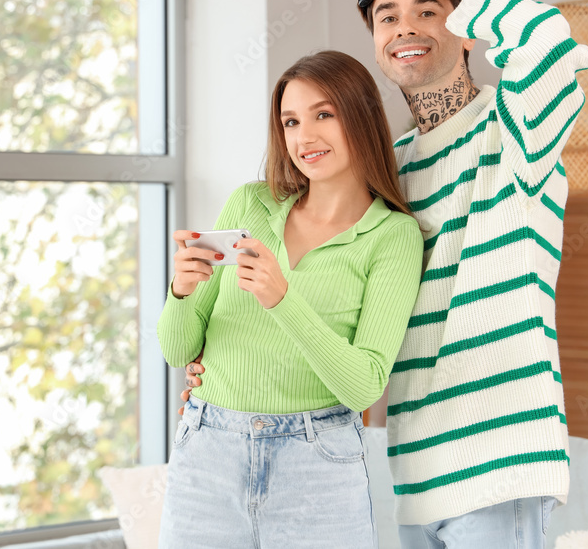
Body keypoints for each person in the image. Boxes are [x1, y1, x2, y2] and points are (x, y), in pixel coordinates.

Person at [182, 0, 588, 548]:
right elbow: (340, 303)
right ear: (375, 42)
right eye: (387, 17)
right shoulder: (386, 172)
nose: (406, 29)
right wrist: (231, 364)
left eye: (428, 9)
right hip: (411, 471)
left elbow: (553, 55)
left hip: (499, 465)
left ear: (466, 27)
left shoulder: (515, 134)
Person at [157, 50, 424, 549]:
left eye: (324, 114)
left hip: (317, 461)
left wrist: (283, 300)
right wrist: (181, 292)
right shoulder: (250, 204)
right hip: (208, 451)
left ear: (361, 116)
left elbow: (364, 387)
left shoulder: (392, 236)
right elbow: (177, 351)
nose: (305, 137)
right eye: (291, 121)